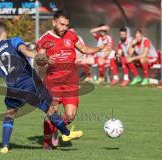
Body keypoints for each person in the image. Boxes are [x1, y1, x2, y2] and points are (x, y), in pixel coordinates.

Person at [0, 21, 83, 154]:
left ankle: (5, 146)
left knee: (10, 113)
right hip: (29, 83)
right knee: (49, 108)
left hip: (13, 89)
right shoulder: (13, 41)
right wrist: (41, 57)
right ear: (4, 33)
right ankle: (66, 133)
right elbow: (26, 51)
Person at [36, 10, 109, 150]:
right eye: (61, 24)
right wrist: (45, 59)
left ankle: (57, 129)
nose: (64, 28)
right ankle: (47, 143)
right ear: (54, 22)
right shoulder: (45, 39)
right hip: (53, 83)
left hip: (70, 83)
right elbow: (39, 59)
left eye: (66, 25)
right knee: (52, 114)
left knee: (70, 116)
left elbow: (85, 49)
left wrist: (100, 48)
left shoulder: (71, 35)